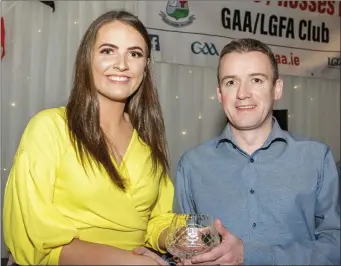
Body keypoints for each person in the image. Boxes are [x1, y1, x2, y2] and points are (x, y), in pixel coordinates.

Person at [3, 10, 174, 265]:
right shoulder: (49, 127)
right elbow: (35, 238)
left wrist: (186, 236)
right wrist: (134, 263)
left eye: (135, 54)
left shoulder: (149, 142)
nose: (122, 64)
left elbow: (154, 223)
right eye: (108, 51)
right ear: (87, 59)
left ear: (146, 66)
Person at [174, 38, 340, 265]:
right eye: (231, 82)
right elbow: (184, 250)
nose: (243, 93)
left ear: (277, 89)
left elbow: (335, 246)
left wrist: (249, 255)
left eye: (256, 80)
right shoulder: (192, 165)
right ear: (220, 93)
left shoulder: (316, 158)